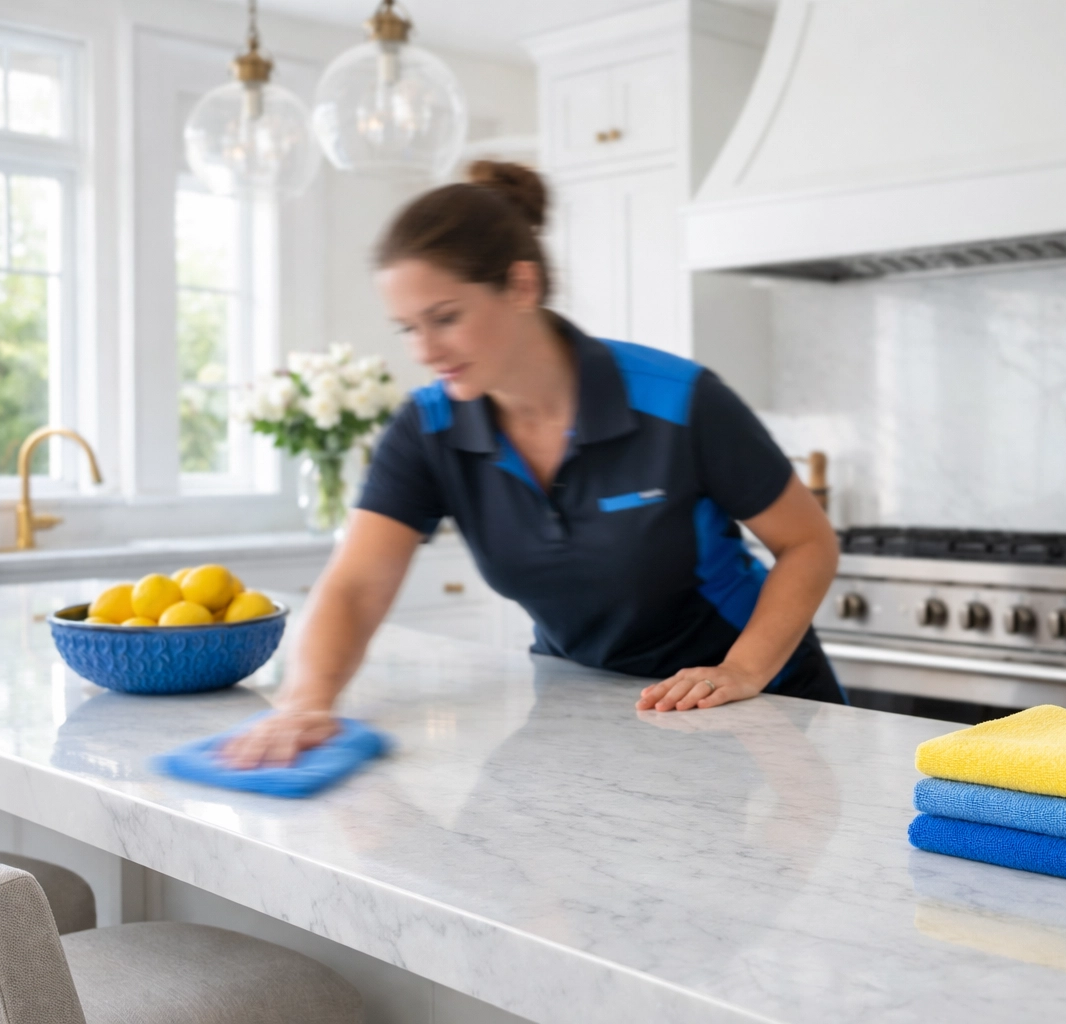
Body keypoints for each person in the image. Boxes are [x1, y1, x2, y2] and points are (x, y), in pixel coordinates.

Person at [222, 161, 843, 769]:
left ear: (521, 286)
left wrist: (742, 669)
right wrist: (304, 704)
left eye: (445, 318)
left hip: (757, 710)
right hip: (584, 711)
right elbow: (356, 587)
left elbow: (808, 543)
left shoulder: (679, 401)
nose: (424, 350)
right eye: (407, 328)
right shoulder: (427, 429)